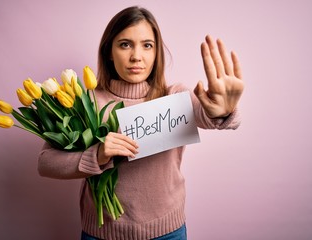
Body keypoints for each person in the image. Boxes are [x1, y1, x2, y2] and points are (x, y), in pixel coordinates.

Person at [38, 5, 244, 240]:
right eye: (125, 44)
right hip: (102, 234)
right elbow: (45, 162)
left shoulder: (174, 97)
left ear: (157, 53)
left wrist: (223, 111)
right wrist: (97, 155)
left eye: (147, 45)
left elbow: (210, 117)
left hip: (167, 232)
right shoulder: (87, 103)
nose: (137, 56)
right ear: (109, 51)